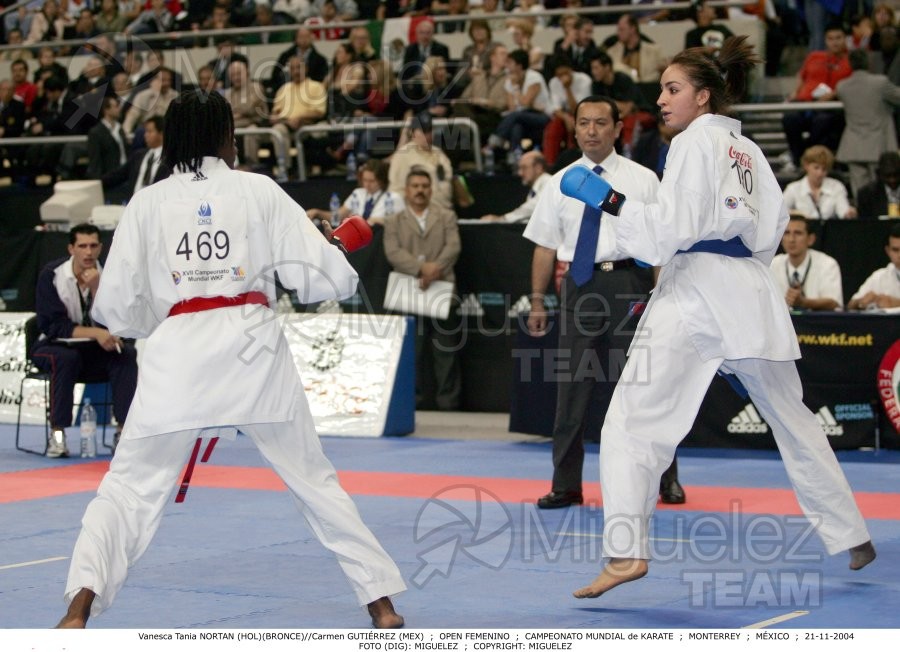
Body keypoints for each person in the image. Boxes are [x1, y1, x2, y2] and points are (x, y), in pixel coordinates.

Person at [55, 89, 406, 629]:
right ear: (225, 137)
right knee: (312, 478)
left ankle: (79, 605)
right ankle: (381, 603)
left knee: (128, 486)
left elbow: (118, 309)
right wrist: (335, 251)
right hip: (252, 346)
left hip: (179, 352)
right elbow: (317, 277)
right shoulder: (257, 190)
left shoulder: (147, 202)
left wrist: (163, 319)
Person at [558, 36, 875, 599]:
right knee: (795, 419)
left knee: (632, 420)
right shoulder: (748, 150)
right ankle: (851, 532)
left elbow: (670, 232)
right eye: (661, 90)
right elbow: (772, 230)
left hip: (696, 292)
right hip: (750, 291)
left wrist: (611, 203)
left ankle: (626, 552)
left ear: (703, 96)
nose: (661, 99)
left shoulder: (691, 142)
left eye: (672, 89)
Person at [523, 95, 685, 510]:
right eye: (584, 123)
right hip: (580, 286)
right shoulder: (558, 182)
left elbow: (661, 244)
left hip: (630, 283)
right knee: (572, 387)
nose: (591, 130)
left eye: (600, 123)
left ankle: (665, 478)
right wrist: (538, 301)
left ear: (617, 129)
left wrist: (663, 297)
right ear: (574, 130)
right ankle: (565, 484)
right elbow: (544, 246)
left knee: (644, 384)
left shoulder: (643, 179)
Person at [33, 223, 138, 458]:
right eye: (82, 246)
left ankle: (123, 433)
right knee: (65, 358)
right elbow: (52, 326)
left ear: (100, 248)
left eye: (93, 246)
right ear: (71, 249)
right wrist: (96, 333)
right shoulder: (53, 275)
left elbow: (120, 321)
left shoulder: (110, 276)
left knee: (126, 354)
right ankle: (57, 435)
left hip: (93, 352)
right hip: (52, 346)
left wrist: (98, 289)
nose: (88, 252)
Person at [383, 167, 461, 411]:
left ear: (431, 189)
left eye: (424, 186)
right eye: (415, 186)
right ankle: (410, 403)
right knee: (411, 353)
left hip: (442, 289)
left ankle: (448, 404)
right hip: (409, 290)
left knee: (445, 352)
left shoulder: (446, 216)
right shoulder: (393, 220)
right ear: (406, 190)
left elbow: (453, 247)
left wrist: (435, 269)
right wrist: (421, 269)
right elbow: (393, 252)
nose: (420, 190)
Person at [780, 24, 851, 170]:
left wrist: (833, 94)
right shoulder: (814, 56)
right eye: (830, 39)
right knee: (789, 118)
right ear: (825, 40)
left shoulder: (850, 60)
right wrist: (795, 93)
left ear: (845, 39)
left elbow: (850, 84)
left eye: (838, 38)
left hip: (830, 106)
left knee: (822, 122)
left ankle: (805, 155)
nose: (835, 42)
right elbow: (802, 76)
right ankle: (797, 157)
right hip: (804, 101)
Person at [835, 49, 900, 198]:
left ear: (850, 64)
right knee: (880, 191)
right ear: (868, 62)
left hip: (853, 145)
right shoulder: (880, 83)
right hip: (879, 144)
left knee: (859, 192)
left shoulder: (842, 86)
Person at [769, 213, 843, 311]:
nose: (791, 239)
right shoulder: (773, 264)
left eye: (798, 233)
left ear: (810, 239)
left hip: (816, 320)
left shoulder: (827, 264)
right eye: (786, 233)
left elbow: (834, 303)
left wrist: (803, 302)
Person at [388, 112, 455, 212]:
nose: (427, 135)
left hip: (444, 209)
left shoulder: (439, 153)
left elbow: (447, 179)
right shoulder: (403, 155)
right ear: (413, 133)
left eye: (429, 130)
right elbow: (396, 190)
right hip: (418, 211)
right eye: (423, 131)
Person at [308, 159, 405, 226]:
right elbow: (337, 217)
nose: (367, 184)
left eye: (372, 181)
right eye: (365, 180)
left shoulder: (393, 198)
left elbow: (403, 224)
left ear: (382, 180)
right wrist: (317, 212)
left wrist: (381, 221)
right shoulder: (357, 194)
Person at [101, 116, 172, 195]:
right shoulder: (138, 155)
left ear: (161, 134)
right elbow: (118, 175)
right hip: (135, 199)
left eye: (149, 132)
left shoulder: (169, 158)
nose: (145, 135)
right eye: (145, 131)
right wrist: (97, 181)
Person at [782, 146, 857, 220]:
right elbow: (781, 212)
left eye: (824, 169)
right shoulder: (793, 188)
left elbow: (843, 211)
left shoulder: (837, 186)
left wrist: (849, 214)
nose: (820, 173)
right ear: (806, 166)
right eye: (816, 168)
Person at [480, 151, 551, 223]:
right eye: (520, 168)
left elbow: (533, 207)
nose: (520, 173)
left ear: (538, 168)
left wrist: (502, 219)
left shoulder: (549, 183)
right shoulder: (536, 188)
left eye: (524, 168)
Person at [847, 224, 900, 310]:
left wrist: (895, 303)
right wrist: (861, 302)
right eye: (895, 250)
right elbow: (850, 305)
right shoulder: (879, 276)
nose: (899, 255)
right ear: (888, 251)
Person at [85, 95, 128, 181]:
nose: (119, 109)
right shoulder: (96, 132)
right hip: (108, 177)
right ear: (106, 110)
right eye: (116, 106)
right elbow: (95, 160)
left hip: (124, 174)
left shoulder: (120, 129)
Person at [857, 151, 900, 219]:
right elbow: (864, 223)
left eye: (896, 175)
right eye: (888, 176)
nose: (892, 180)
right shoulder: (866, 195)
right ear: (880, 174)